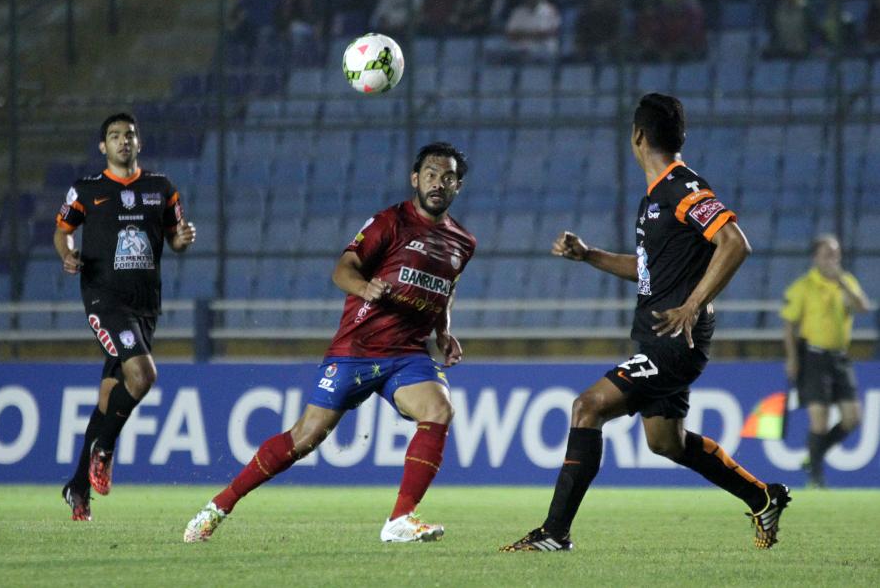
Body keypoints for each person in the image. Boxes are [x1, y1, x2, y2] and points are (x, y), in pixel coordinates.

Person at [502, 93, 791, 552]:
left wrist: (693, 303)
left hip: (674, 341)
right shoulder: (656, 198)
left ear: (637, 136)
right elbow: (647, 270)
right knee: (665, 443)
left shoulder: (683, 189)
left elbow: (734, 242)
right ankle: (764, 497)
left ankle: (554, 533)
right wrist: (590, 255)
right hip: (661, 338)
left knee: (587, 407)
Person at [184, 142, 476, 544]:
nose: (437, 183)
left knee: (440, 410)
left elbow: (446, 290)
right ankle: (219, 505)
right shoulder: (388, 223)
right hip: (357, 349)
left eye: (448, 177)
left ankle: (400, 518)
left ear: (458, 185)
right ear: (415, 179)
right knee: (305, 438)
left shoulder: (464, 242)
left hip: (408, 353)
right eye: (430, 174)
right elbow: (343, 269)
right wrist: (364, 288)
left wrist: (443, 331)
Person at [54, 113, 197, 520]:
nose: (123, 141)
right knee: (143, 375)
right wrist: (67, 254)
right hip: (104, 299)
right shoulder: (87, 189)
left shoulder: (161, 188)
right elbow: (62, 229)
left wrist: (182, 240)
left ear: (139, 143)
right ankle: (107, 448)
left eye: (129, 135)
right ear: (103, 147)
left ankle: (77, 487)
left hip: (145, 305)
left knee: (107, 399)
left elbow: (175, 236)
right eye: (114, 136)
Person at [782, 234, 869, 488]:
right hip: (813, 356)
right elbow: (789, 326)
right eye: (827, 253)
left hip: (840, 357)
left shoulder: (846, 282)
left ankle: (813, 456)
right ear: (816, 257)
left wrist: (842, 282)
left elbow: (863, 307)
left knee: (853, 418)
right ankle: (816, 478)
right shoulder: (804, 286)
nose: (833, 258)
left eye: (836, 253)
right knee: (819, 419)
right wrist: (792, 359)